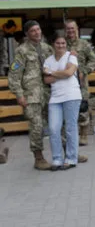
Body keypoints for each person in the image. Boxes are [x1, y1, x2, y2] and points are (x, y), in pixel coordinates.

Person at [7, 20, 53, 170]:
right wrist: (19, 95)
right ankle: (38, 158)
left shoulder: (47, 48)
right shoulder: (22, 50)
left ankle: (67, 152)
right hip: (31, 95)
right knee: (37, 127)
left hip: (48, 93)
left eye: (38, 29)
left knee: (58, 123)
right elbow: (14, 75)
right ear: (27, 34)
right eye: (33, 31)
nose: (37, 32)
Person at [43, 31, 82, 170]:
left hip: (71, 95)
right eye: (58, 43)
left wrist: (52, 72)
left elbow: (69, 73)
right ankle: (57, 159)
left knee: (71, 128)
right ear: (53, 44)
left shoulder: (71, 56)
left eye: (63, 43)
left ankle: (71, 159)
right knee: (53, 129)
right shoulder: (48, 60)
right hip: (55, 98)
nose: (61, 45)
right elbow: (46, 80)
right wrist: (62, 73)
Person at [64, 20, 95, 146]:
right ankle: (71, 135)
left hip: (81, 81)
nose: (70, 31)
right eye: (68, 29)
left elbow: (93, 60)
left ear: (77, 29)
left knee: (82, 107)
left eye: (72, 28)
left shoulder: (84, 44)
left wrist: (85, 71)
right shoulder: (62, 44)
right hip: (65, 82)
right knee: (68, 108)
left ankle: (83, 134)